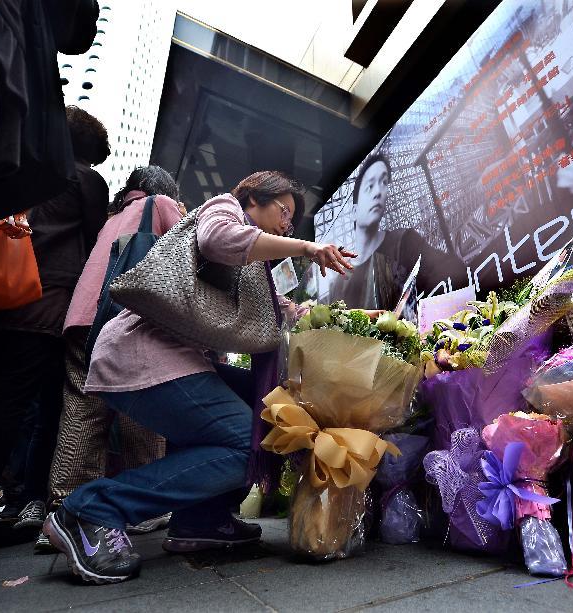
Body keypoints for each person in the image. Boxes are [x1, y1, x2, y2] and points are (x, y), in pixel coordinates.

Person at [43, 171, 357, 584]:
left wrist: (355, 319)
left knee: (271, 415)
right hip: (143, 355)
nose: (286, 224)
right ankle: (91, 510)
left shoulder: (255, 271)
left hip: (177, 360)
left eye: (292, 222)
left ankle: (201, 520)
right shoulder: (223, 209)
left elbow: (285, 313)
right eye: (283, 212)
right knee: (247, 446)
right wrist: (306, 247)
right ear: (251, 200)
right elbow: (216, 240)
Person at [0, 106, 109, 550]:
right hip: (46, 303)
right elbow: (97, 244)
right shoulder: (84, 179)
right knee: (20, 405)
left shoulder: (26, 171)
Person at [30, 166, 183, 552]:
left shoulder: (112, 219)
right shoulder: (160, 204)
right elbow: (188, 250)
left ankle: (65, 511)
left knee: (82, 412)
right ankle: (145, 506)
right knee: (142, 410)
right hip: (125, 321)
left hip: (83, 320)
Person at [325, 152, 466, 309]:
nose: (378, 192)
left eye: (384, 182)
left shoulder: (404, 242)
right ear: (354, 212)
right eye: (370, 186)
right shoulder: (339, 282)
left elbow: (450, 270)